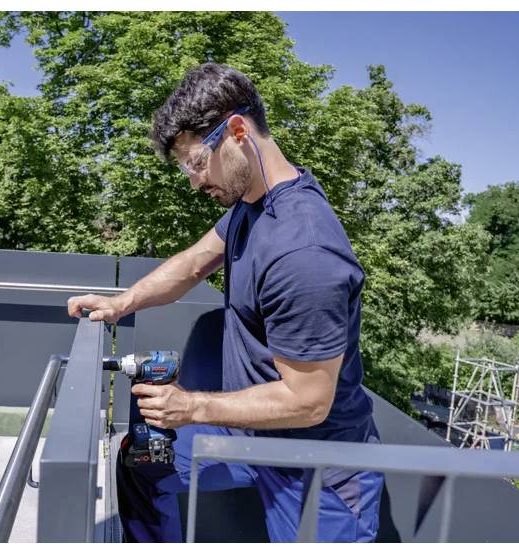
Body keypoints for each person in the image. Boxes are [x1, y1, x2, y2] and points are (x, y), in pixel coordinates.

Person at [67, 63, 383, 543]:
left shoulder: (304, 252)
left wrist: (190, 407)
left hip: (319, 467)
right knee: (143, 463)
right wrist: (122, 303)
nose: (193, 181)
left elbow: (308, 402)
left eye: (196, 162)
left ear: (237, 131)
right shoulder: (252, 205)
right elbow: (195, 262)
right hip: (246, 436)